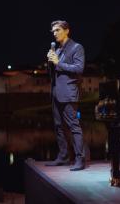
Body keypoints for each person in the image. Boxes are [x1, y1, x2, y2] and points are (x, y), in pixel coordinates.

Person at [45, 20, 85, 171]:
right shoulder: (58, 51)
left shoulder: (76, 47)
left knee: (73, 126)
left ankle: (80, 159)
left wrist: (58, 63)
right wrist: (50, 63)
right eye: (53, 31)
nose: (55, 33)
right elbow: (53, 73)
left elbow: (79, 68)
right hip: (56, 93)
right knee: (58, 126)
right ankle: (63, 156)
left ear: (67, 30)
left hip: (68, 94)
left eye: (57, 30)